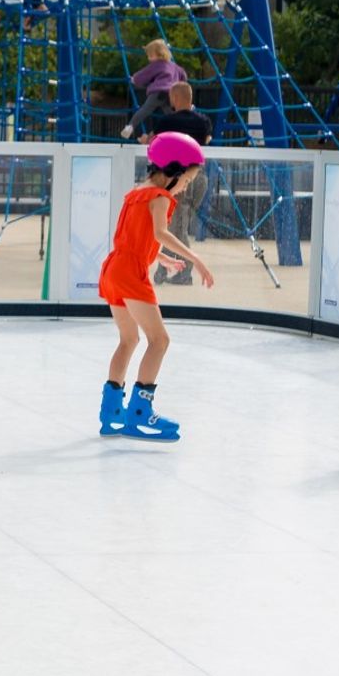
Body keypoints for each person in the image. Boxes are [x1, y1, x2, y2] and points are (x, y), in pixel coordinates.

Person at [97, 131, 215, 441]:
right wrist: (195, 259)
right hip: (130, 274)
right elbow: (161, 232)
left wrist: (161, 258)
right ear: (174, 170)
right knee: (159, 340)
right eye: (187, 180)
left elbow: (136, 237)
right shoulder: (160, 196)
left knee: (128, 340)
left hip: (113, 269)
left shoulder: (136, 192)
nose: (185, 187)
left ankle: (111, 413)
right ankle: (139, 413)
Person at [146, 82, 213, 284]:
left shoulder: (167, 122)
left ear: (174, 98)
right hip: (199, 178)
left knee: (175, 227)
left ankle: (184, 272)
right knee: (176, 225)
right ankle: (165, 270)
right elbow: (207, 140)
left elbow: (154, 141)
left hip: (178, 178)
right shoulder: (203, 121)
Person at [120, 38, 185, 139]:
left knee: (145, 110)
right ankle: (181, 129)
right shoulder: (174, 66)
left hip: (158, 93)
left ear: (160, 55)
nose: (149, 59)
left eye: (151, 56)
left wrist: (134, 79)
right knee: (171, 114)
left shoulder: (157, 64)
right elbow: (183, 75)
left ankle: (130, 126)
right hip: (170, 94)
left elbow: (145, 73)